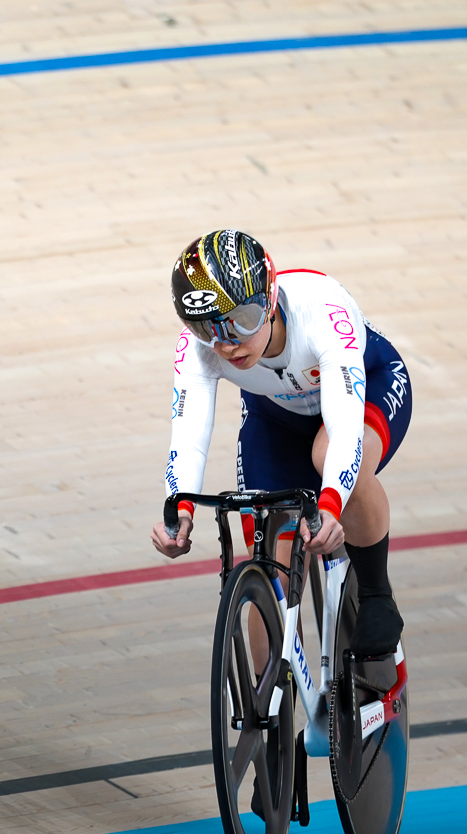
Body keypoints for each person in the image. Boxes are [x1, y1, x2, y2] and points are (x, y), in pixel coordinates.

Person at [150, 230, 411, 658]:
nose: (227, 343)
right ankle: (268, 710)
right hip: (277, 419)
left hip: (367, 389)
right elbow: (189, 437)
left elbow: (345, 431)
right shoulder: (198, 351)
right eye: (205, 329)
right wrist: (178, 510)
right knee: (271, 559)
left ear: (270, 300)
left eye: (242, 321)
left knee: (330, 456)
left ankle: (378, 595)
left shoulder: (322, 309)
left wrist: (328, 506)